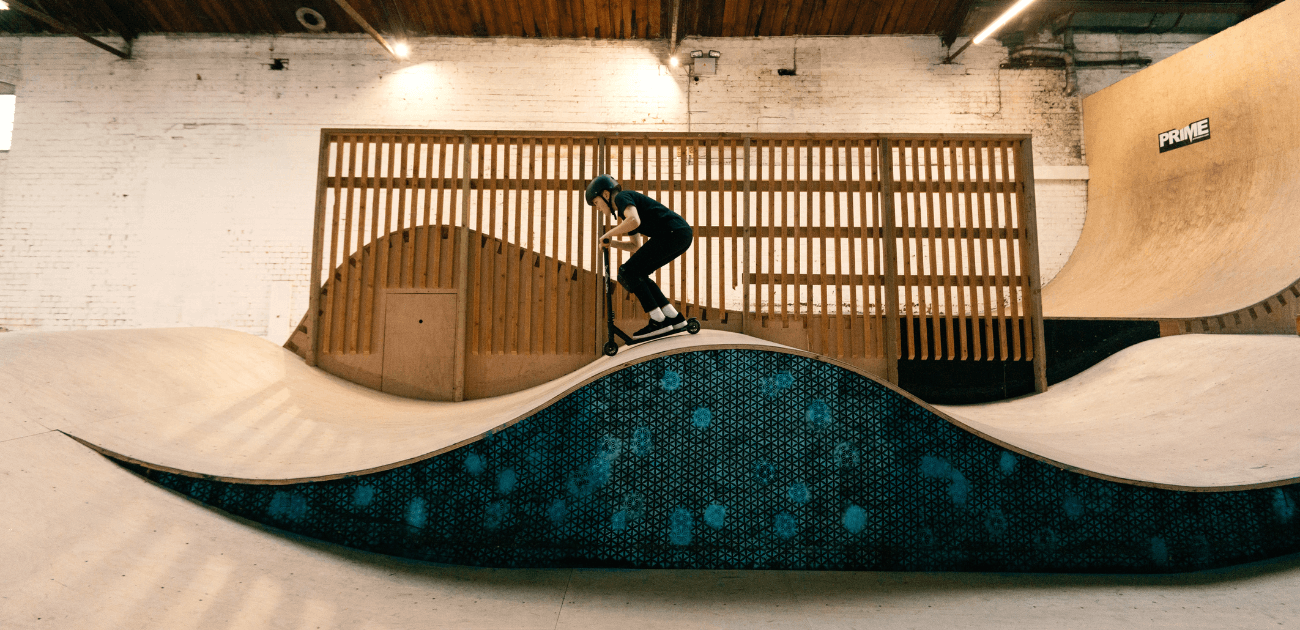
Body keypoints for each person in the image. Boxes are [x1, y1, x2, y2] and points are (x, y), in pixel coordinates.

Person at [585, 174, 693, 339]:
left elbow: (634, 221)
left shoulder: (622, 198)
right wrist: (611, 242)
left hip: (672, 233)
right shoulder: (626, 213)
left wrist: (607, 234)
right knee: (637, 273)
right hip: (678, 234)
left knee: (626, 272)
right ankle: (674, 318)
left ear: (606, 195)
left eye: (596, 203)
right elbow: (635, 246)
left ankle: (658, 320)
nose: (597, 208)